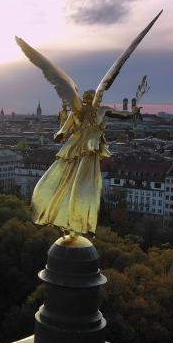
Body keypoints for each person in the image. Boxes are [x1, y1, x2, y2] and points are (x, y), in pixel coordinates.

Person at [31, 91, 140, 236]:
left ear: (83, 99)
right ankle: (79, 222)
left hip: (73, 151)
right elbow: (124, 115)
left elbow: (61, 133)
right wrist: (135, 111)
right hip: (90, 151)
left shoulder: (76, 112)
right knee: (86, 187)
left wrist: (62, 121)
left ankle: (67, 221)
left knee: (67, 184)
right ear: (96, 99)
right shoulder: (102, 110)